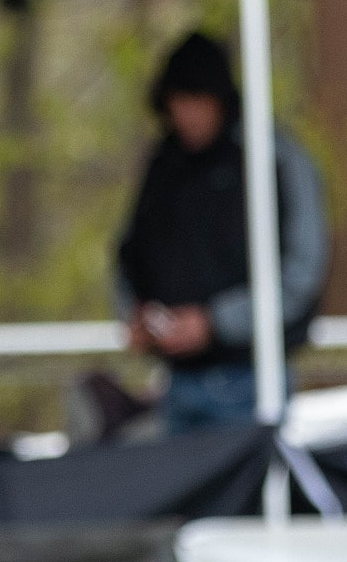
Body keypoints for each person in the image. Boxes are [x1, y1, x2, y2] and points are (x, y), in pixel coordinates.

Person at [114, 32, 329, 434]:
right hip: (174, 382)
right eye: (178, 103)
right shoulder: (163, 164)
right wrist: (135, 313)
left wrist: (216, 323)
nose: (187, 116)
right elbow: (130, 252)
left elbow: (302, 270)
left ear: (220, 99)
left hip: (251, 381)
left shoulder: (275, 156)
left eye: (197, 101)